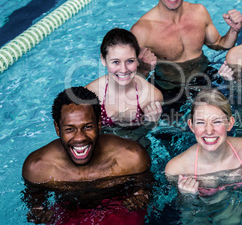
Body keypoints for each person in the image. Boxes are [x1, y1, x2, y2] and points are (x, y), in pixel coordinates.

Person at [22, 86, 153, 224]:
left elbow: (145, 191)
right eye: (69, 129)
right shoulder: (37, 168)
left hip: (119, 207)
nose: (79, 138)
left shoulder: (131, 157)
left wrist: (141, 198)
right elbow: (35, 204)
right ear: (57, 128)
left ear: (99, 125)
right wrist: (39, 213)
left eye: (88, 127)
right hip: (68, 211)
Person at [130, 0, 242, 104]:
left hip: (206, 78)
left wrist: (234, 30)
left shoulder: (199, 12)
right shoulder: (142, 30)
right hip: (171, 91)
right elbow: (128, 79)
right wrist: (144, 69)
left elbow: (219, 44)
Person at [165, 89, 242, 223]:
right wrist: (187, 197)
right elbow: (182, 209)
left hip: (232, 204)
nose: (209, 130)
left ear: (230, 123)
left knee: (231, 219)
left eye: (217, 121)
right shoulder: (177, 169)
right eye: (201, 122)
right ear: (191, 126)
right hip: (199, 211)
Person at [86, 28, 163, 135]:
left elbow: (152, 133)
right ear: (103, 60)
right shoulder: (90, 94)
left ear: (137, 60)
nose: (123, 69)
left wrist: (151, 123)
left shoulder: (151, 96)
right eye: (116, 62)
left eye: (130, 61)